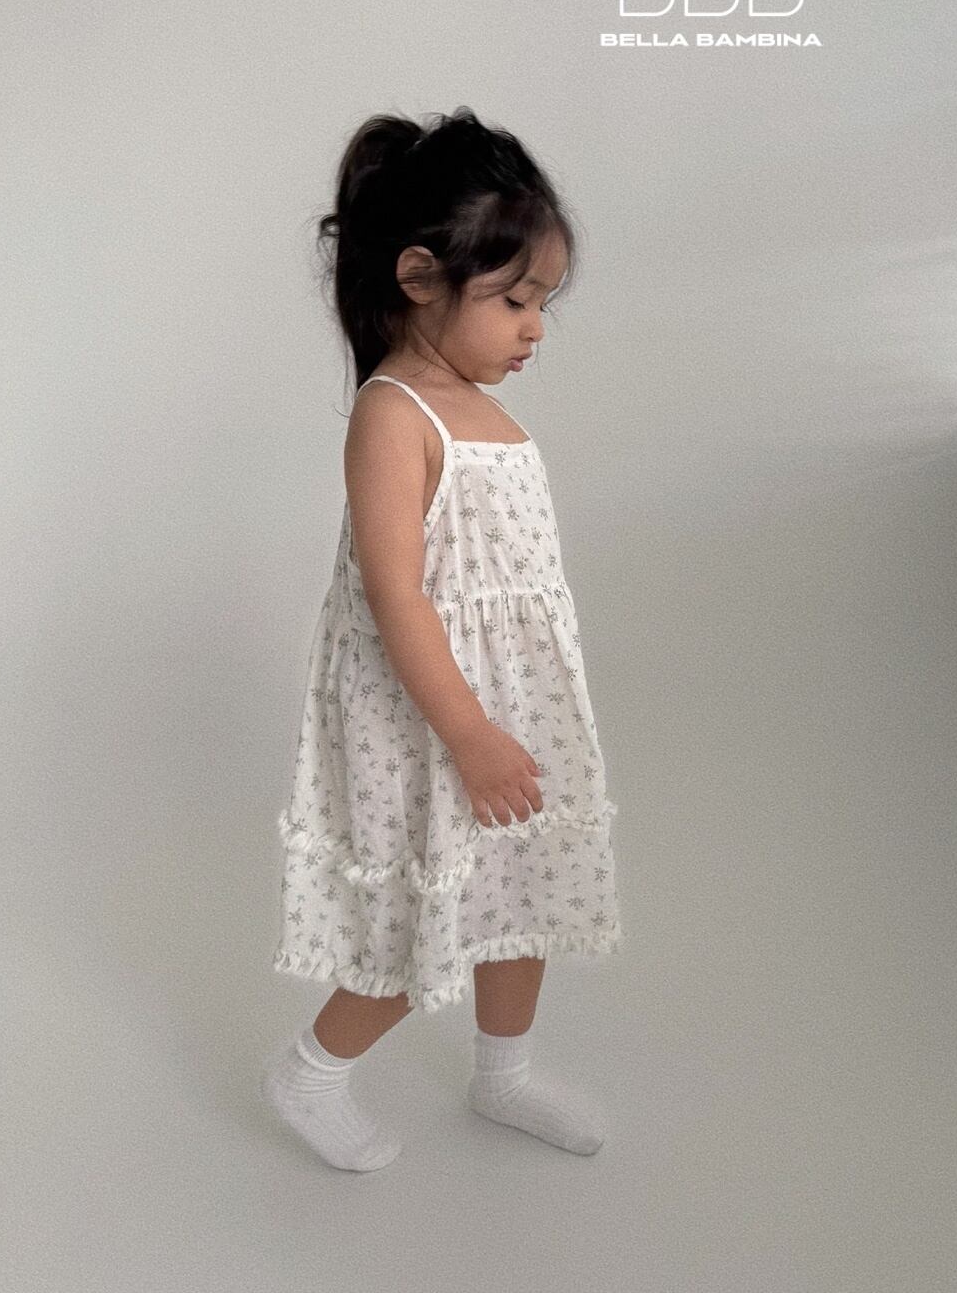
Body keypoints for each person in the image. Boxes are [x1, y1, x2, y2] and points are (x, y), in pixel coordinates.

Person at [260, 107, 623, 1172]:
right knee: (415, 909)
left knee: (524, 890)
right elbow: (398, 598)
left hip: (509, 708)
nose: (535, 328)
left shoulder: (481, 408)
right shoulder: (395, 413)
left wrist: (505, 723)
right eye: (515, 299)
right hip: (428, 716)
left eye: (543, 303)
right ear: (421, 277)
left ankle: (503, 1074)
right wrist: (467, 733)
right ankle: (310, 1072)